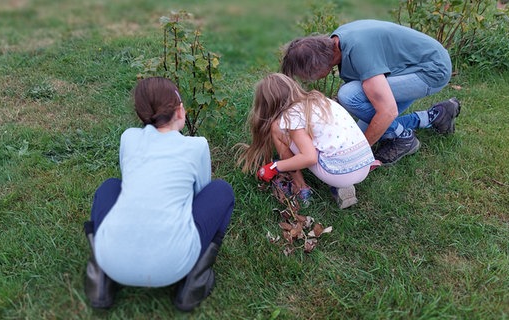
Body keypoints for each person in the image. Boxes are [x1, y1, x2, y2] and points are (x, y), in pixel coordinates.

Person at [83, 77, 234, 312]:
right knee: (221, 191)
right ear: (180, 110)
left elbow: (127, 183)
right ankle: (193, 281)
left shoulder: (129, 138)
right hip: (174, 263)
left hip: (111, 258)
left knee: (110, 187)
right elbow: (200, 194)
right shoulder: (196, 146)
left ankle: (101, 277)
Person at [281, 19, 461, 166]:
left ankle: (404, 138)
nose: (309, 80)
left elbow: (388, 111)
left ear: (317, 65)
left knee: (349, 96)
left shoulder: (358, 49)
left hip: (431, 70)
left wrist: (359, 154)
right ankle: (437, 115)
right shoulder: (335, 42)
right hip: (406, 68)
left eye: (306, 76)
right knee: (360, 133)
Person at [238, 73, 376, 209]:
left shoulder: (292, 115)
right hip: (363, 164)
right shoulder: (320, 100)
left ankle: (300, 188)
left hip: (341, 173)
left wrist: (274, 167)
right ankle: (340, 183)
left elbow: (310, 158)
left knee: (276, 128)